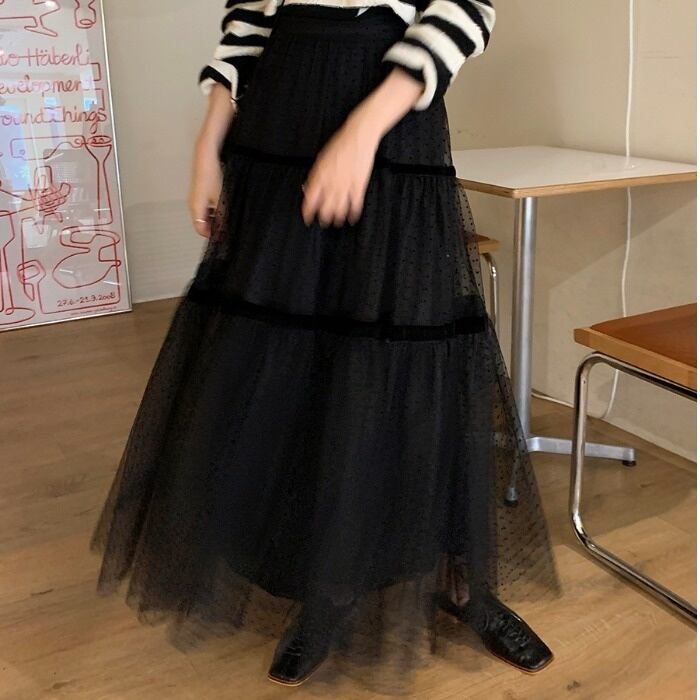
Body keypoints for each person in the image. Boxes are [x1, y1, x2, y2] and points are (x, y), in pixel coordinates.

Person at [90, 0, 561, 692]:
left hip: (388, 120)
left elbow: (465, 9)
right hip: (276, 128)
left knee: (410, 358)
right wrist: (207, 146)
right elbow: (248, 22)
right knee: (293, 368)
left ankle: (460, 579)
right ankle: (326, 583)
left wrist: (362, 131)